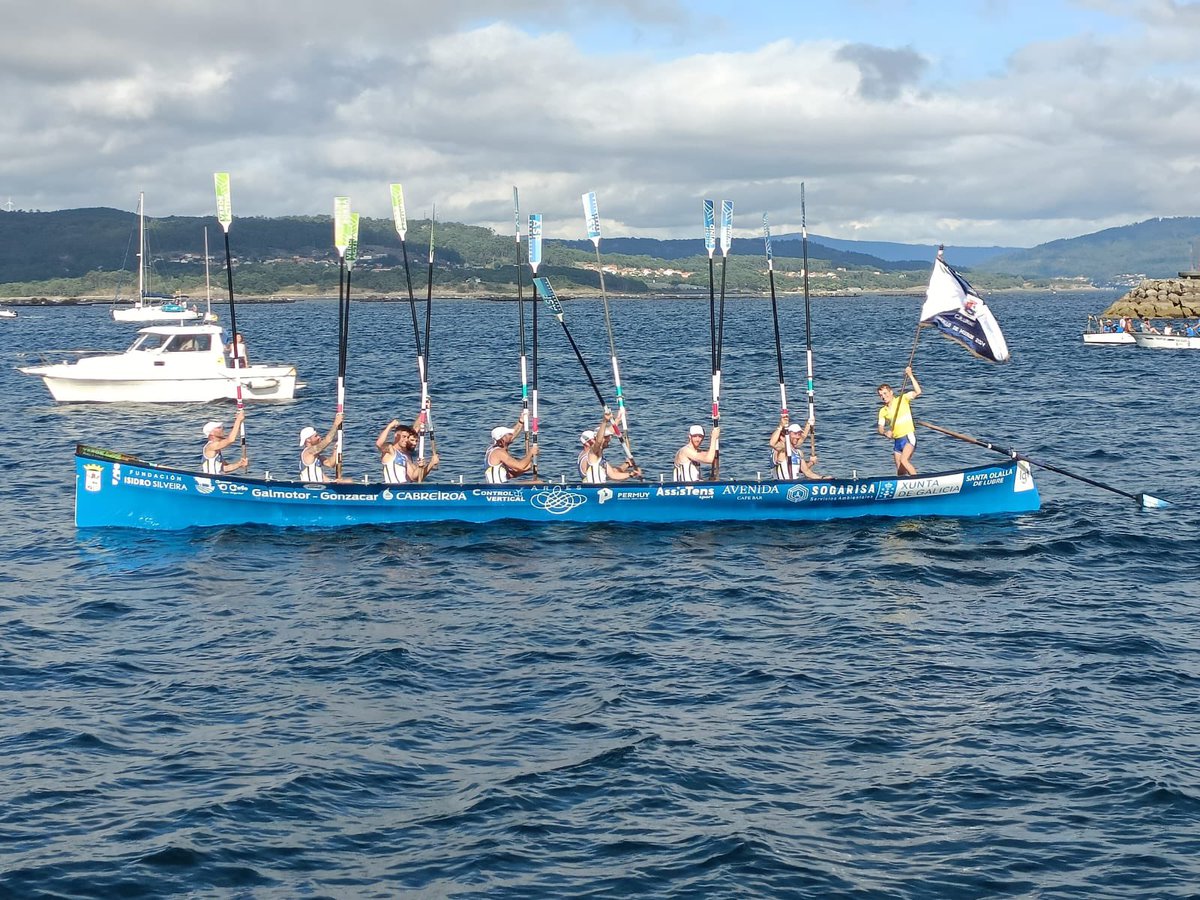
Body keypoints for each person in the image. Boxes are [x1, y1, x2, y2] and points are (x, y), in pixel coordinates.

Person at [877, 366, 922, 476]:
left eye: (885, 393)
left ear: (891, 392)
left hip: (908, 437)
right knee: (900, 471)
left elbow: (918, 391)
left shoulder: (903, 399)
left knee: (904, 460)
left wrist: (910, 375)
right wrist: (885, 433)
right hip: (897, 441)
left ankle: (917, 481)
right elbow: (880, 428)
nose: (883, 397)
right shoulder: (883, 411)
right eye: (881, 395)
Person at [578, 412, 641, 483]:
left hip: (600, 489)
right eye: (606, 437)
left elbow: (613, 474)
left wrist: (631, 474)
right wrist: (604, 421)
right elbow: (598, 441)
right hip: (594, 490)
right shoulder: (593, 453)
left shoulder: (598, 457)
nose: (610, 439)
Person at [376, 419, 438, 484]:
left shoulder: (405, 455)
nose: (406, 440)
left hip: (405, 489)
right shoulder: (390, 450)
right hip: (392, 489)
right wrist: (390, 426)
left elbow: (413, 477)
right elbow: (379, 443)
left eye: (407, 437)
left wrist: (429, 464)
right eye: (404, 437)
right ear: (396, 436)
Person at [769, 416, 826, 480]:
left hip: (794, 483)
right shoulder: (781, 450)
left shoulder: (798, 452)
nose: (798, 437)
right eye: (795, 434)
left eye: (799, 434)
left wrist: (822, 478)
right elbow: (772, 443)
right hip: (781, 485)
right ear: (785, 436)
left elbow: (806, 472)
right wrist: (780, 426)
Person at [484, 418, 538, 483]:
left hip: (502, 487)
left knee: (535, 483)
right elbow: (520, 466)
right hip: (499, 489)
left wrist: (521, 421)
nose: (511, 435)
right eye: (509, 434)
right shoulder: (498, 452)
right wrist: (530, 453)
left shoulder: (492, 449)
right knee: (538, 483)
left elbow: (511, 475)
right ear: (502, 438)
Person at [299, 411, 344, 482]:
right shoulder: (308, 452)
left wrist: (336, 449)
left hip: (320, 487)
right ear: (308, 440)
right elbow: (327, 440)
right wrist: (336, 424)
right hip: (310, 489)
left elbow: (330, 464)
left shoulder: (316, 456)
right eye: (316, 436)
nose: (319, 437)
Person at [201, 411, 248, 475]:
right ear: (211, 433)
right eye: (218, 428)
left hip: (218, 480)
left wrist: (239, 464)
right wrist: (238, 420)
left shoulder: (217, 449)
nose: (222, 429)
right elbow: (230, 439)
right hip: (211, 481)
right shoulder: (211, 446)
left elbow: (224, 468)